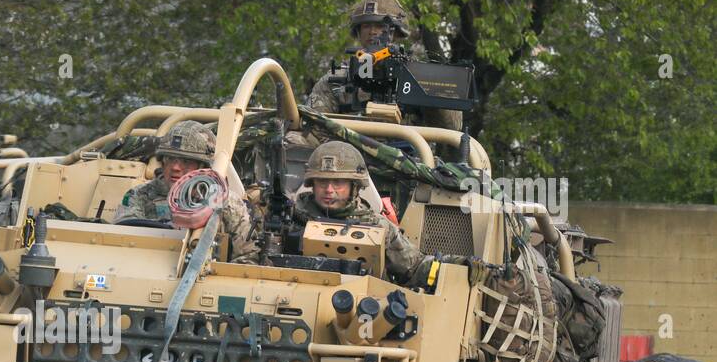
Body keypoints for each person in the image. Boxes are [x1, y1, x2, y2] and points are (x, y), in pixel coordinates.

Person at [295, 141, 480, 286]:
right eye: (322, 182)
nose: (329, 190)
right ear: (312, 184)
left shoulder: (378, 226)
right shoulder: (293, 218)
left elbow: (414, 268)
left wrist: (459, 265)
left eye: (338, 183)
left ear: (354, 186)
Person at [305, 0, 464, 132]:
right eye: (366, 25)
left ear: (397, 33)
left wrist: (423, 87)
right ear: (358, 32)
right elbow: (313, 125)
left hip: (408, 159)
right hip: (349, 159)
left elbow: (452, 126)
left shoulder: (418, 73)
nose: (373, 32)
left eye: (380, 26)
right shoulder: (338, 77)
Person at [114, 120, 259, 263]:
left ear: (202, 166)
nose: (175, 167)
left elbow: (248, 258)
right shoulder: (140, 195)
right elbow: (121, 243)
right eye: (170, 158)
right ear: (162, 161)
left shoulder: (226, 202)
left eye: (185, 161)